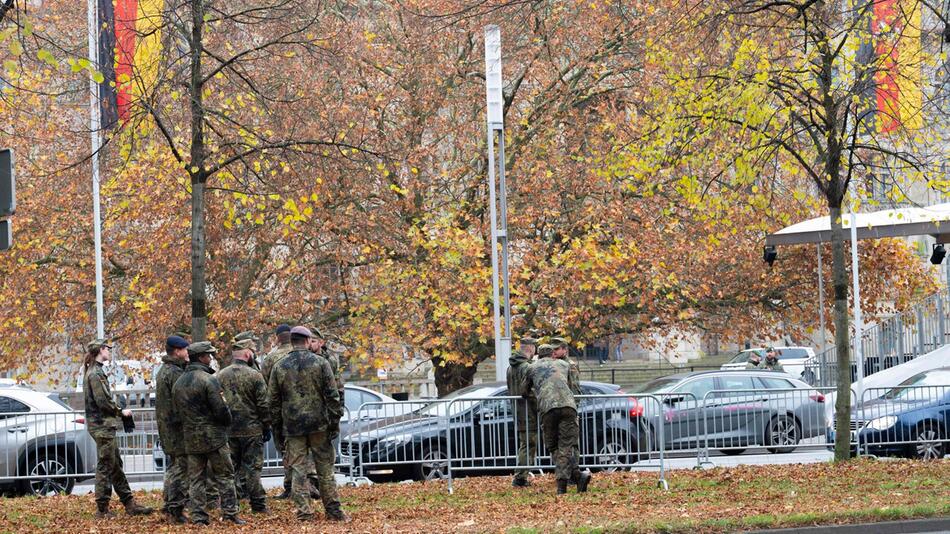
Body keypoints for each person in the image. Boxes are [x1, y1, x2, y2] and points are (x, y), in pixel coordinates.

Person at [268, 326, 349, 522]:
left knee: (298, 471)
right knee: (325, 470)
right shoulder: (321, 363)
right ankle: (333, 510)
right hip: (319, 425)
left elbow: (273, 402)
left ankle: (304, 512)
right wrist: (333, 422)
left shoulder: (279, 366)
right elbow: (332, 396)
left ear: (292, 341)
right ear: (306, 340)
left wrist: (277, 429)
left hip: (293, 427)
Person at [172, 341, 244, 525]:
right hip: (214, 438)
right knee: (225, 475)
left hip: (191, 439)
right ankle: (230, 513)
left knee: (196, 480)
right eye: (208, 355)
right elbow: (221, 409)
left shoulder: (178, 383)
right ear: (202, 357)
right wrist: (227, 423)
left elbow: (176, 413)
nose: (211, 358)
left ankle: (199, 517)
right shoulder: (208, 380)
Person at [83, 339, 154, 518]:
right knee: (106, 466)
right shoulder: (95, 374)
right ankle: (102, 509)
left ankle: (129, 503)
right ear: (101, 350)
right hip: (102, 426)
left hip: (103, 426)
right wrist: (121, 411)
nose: (110, 351)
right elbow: (103, 401)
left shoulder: (95, 372)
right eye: (108, 348)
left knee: (115, 465)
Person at [521, 338, 591, 495]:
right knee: (565, 446)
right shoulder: (565, 365)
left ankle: (562, 486)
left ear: (538, 354)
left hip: (548, 409)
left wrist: (537, 392)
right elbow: (572, 387)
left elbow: (524, 391)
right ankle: (577, 475)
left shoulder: (531, 368)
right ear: (552, 354)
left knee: (553, 446)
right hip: (568, 407)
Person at [218, 337, 271, 514]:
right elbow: (263, 405)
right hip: (251, 430)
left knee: (230, 470)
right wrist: (266, 425)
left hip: (229, 431)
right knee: (253, 469)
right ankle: (258, 504)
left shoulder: (221, 375)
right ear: (248, 354)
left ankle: (232, 505)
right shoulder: (255, 375)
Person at [259, 324, 309, 500]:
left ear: (277, 337)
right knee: (305, 451)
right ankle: (308, 485)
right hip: (308, 412)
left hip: (284, 414)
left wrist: (270, 417)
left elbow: (266, 389)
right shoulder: (310, 357)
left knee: (287, 452)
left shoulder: (272, 359)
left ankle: (290, 486)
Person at [154, 335, 190, 523]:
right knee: (180, 468)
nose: (187, 352)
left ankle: (169, 505)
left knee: (173, 467)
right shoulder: (175, 372)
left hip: (168, 426)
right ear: (177, 351)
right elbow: (182, 401)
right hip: (176, 427)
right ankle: (175, 509)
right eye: (185, 349)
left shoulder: (164, 370)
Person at [507, 336, 538, 487]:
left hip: (517, 410)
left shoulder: (510, 367)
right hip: (528, 411)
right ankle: (520, 477)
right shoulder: (527, 367)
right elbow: (530, 391)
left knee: (524, 443)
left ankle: (520, 476)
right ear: (530, 348)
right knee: (528, 445)